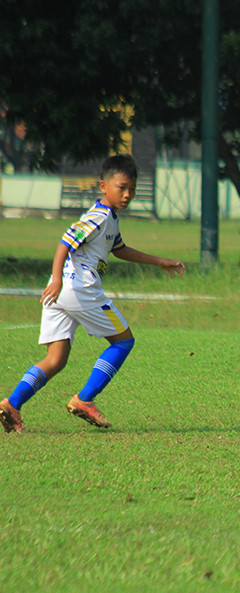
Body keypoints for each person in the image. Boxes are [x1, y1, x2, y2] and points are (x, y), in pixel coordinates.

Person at [0, 155, 185, 433]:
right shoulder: (97, 217)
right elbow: (65, 242)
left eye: (132, 189)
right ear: (103, 186)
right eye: (121, 187)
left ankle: (12, 405)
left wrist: (159, 261)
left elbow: (119, 249)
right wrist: (59, 280)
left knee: (55, 360)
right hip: (79, 289)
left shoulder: (109, 218)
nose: (127, 195)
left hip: (61, 291)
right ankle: (84, 399)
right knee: (123, 342)